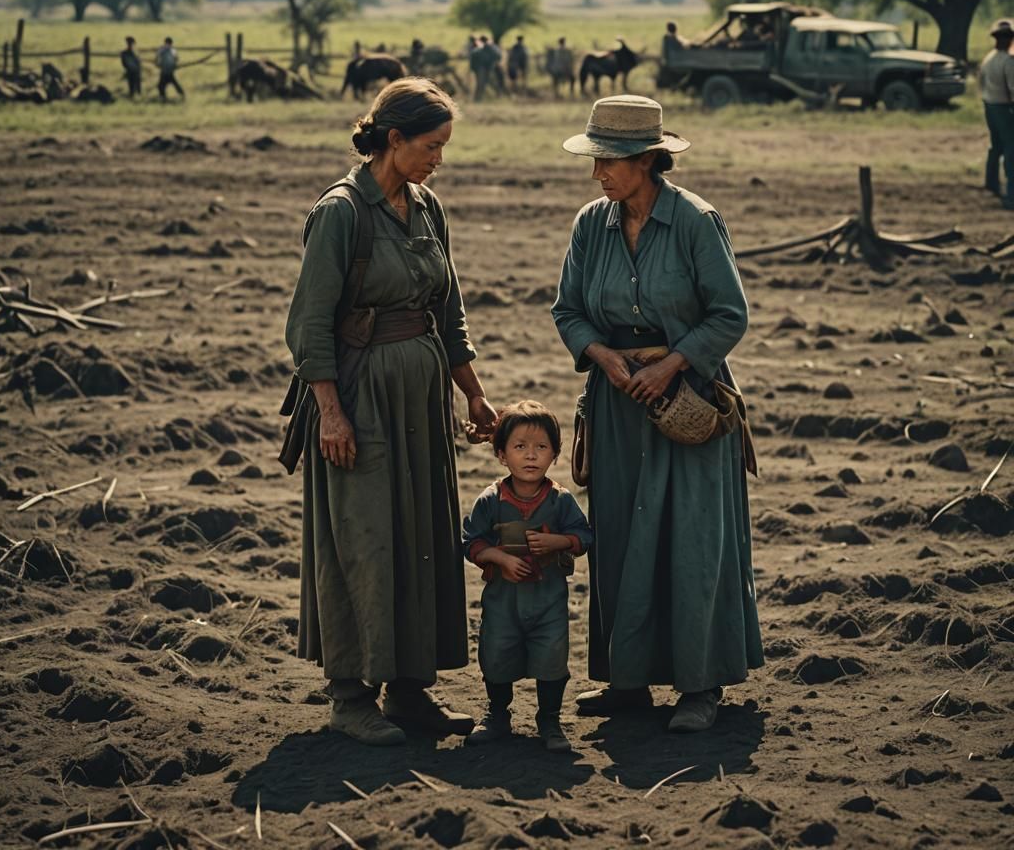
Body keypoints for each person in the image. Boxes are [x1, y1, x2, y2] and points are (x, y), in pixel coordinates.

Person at [283, 77, 498, 746]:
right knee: (365, 536)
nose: (440, 159)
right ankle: (351, 695)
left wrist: (472, 390)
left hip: (421, 398)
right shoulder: (341, 212)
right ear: (394, 139)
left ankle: (410, 689)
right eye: (431, 146)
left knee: (422, 537)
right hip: (360, 396)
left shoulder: (429, 207)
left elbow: (449, 310)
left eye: (445, 147)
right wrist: (332, 413)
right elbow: (309, 325)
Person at [552, 94, 763, 734]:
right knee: (618, 539)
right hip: (618, 412)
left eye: (609, 161)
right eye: (594, 161)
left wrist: (669, 364)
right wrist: (606, 360)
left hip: (688, 406)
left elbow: (731, 314)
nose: (598, 175)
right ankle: (629, 682)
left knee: (693, 542)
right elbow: (568, 310)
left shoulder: (698, 222)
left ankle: (701, 686)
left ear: (648, 159)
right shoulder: (592, 224)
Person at [462, 401, 592, 753]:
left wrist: (558, 541)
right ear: (502, 454)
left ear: (554, 453)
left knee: (551, 657)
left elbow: (585, 536)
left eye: (541, 448)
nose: (531, 456)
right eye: (520, 447)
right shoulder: (490, 500)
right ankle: (497, 714)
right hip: (503, 600)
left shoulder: (561, 501)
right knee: (496, 653)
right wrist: (498, 557)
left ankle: (549, 719)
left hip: (548, 600)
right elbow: (470, 541)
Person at [980, 18, 1014, 209]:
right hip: (1004, 108)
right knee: (1011, 149)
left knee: (996, 146)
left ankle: (991, 183)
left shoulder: (988, 58)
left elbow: (981, 83)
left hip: (989, 106)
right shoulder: (1008, 62)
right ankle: (1012, 193)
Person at [155, 37, 184, 101]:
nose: (167, 45)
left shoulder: (163, 49)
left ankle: (163, 96)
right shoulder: (172, 50)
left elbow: (157, 57)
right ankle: (181, 94)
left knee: (162, 85)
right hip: (167, 70)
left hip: (167, 70)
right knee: (167, 84)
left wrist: (158, 63)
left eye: (168, 44)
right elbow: (176, 59)